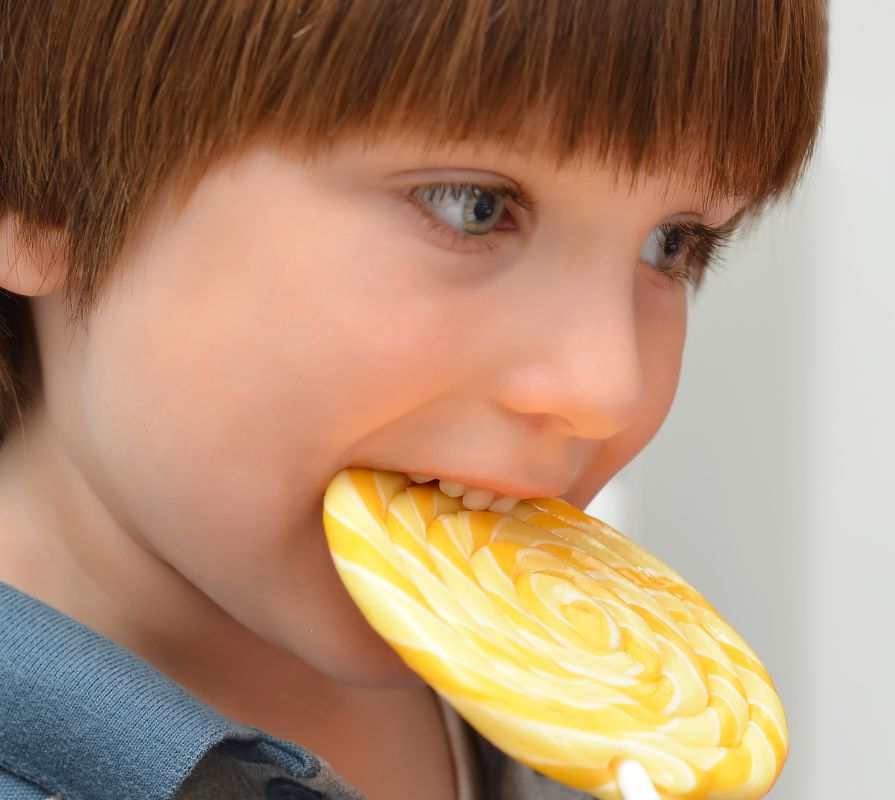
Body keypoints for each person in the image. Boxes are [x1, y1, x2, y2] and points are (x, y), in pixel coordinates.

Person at [0, 1, 827, 798]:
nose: (606, 389)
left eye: (672, 243)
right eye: (474, 207)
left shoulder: (575, 708)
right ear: (40, 197)